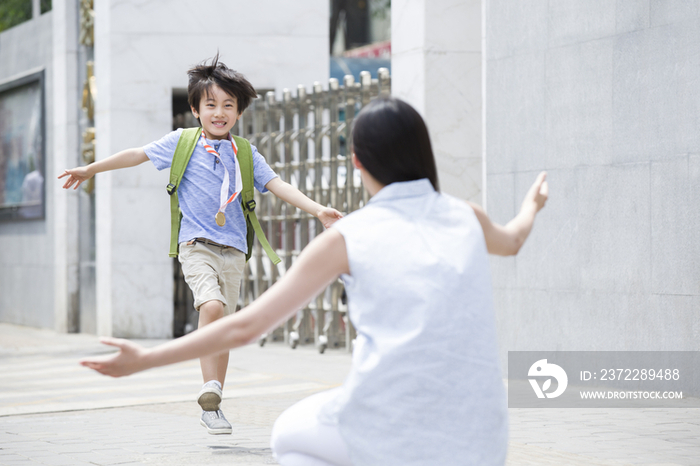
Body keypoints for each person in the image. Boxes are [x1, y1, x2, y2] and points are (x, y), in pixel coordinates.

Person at [80, 96, 548, 465]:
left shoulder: (349, 237)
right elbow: (514, 240)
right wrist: (532, 204)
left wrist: (145, 360)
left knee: (290, 435)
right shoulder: (466, 216)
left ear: (357, 163)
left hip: (393, 434)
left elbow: (246, 328)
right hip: (484, 442)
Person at [59, 54, 343, 436]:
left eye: (228, 105)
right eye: (211, 105)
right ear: (195, 110)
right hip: (195, 244)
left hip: (234, 250)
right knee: (211, 305)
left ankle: (214, 399)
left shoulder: (245, 152)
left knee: (222, 322)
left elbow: (277, 185)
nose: (220, 112)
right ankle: (208, 384)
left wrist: (318, 210)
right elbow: (137, 154)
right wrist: (90, 169)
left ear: (239, 112)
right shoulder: (183, 142)